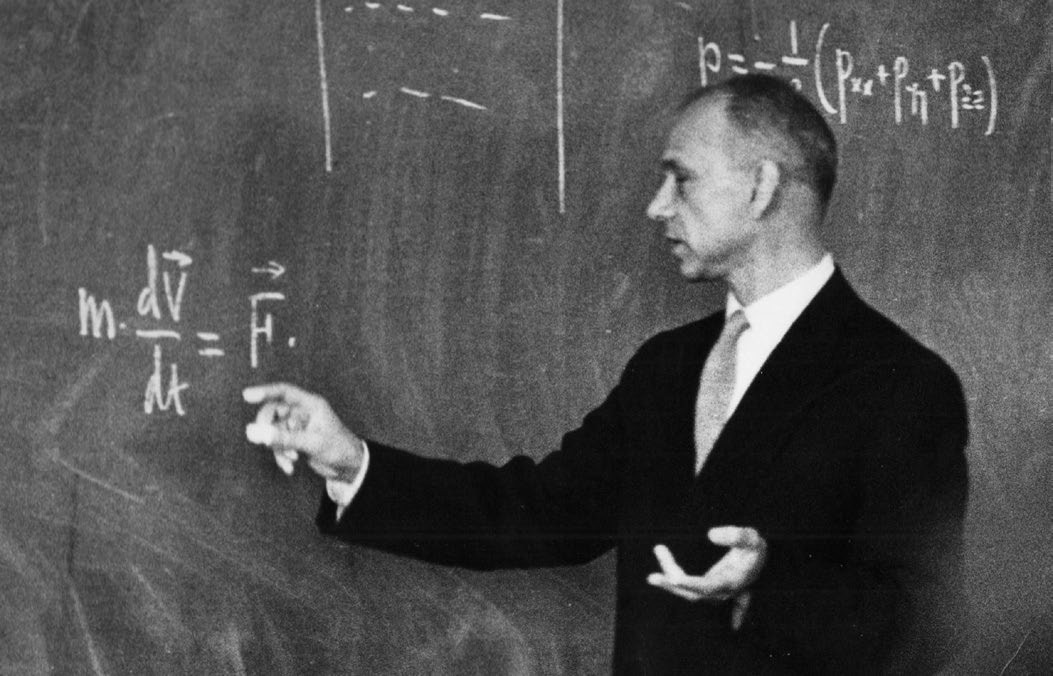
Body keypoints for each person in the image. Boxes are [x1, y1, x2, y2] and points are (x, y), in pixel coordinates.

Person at [243, 74, 968, 674]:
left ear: (761, 188)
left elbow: (922, 627)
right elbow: (540, 514)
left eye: (681, 179)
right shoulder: (667, 367)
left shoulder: (901, 384)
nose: (657, 207)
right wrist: (352, 463)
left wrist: (765, 584)